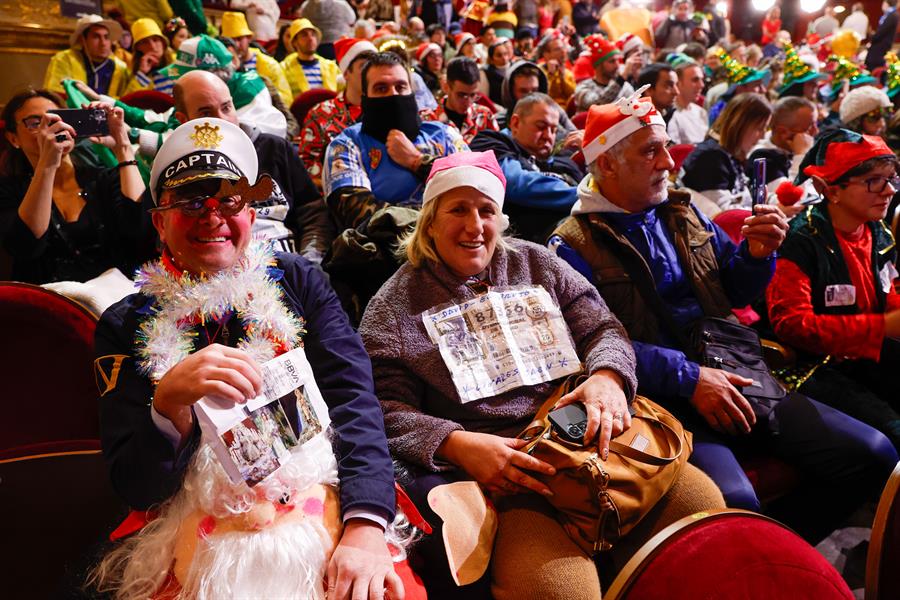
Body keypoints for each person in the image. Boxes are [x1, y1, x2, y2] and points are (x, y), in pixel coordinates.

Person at [359, 149, 727, 598]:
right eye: (458, 209)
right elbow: (380, 407)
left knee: (705, 523)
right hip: (515, 476)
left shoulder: (538, 263)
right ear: (429, 221)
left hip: (595, 438)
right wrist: (455, 443)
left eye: (486, 211)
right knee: (560, 593)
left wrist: (608, 377)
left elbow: (603, 328)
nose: (475, 226)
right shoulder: (392, 307)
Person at [549, 91, 898, 538]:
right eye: (650, 151)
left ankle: (783, 552)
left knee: (874, 455)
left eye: (666, 148)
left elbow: (734, 291)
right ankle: (750, 556)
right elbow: (589, 344)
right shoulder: (570, 245)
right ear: (608, 165)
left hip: (735, 369)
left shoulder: (682, 210)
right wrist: (688, 378)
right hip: (658, 401)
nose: (668, 164)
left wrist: (757, 255)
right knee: (734, 505)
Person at [90, 117, 407, 599]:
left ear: (253, 215)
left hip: (320, 501)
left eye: (230, 200)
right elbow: (136, 488)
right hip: (193, 531)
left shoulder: (299, 282)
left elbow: (355, 403)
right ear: (159, 221)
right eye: (191, 201)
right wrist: (168, 407)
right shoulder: (123, 324)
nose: (212, 215)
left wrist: (366, 525)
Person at [767, 128, 900, 450]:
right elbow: (792, 325)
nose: (889, 191)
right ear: (829, 189)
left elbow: (888, 289)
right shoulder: (801, 241)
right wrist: (880, 326)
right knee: (893, 430)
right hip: (811, 366)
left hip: (866, 351)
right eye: (874, 181)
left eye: (892, 178)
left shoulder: (877, 231)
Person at [322, 52, 466, 311]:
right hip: (390, 259)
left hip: (461, 245)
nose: (393, 95)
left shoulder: (444, 135)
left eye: (401, 87)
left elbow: (476, 187)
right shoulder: (346, 145)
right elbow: (362, 216)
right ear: (366, 98)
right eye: (381, 88)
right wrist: (442, 221)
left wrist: (417, 162)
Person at [172, 69, 330, 262]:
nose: (222, 120)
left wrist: (310, 265)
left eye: (226, 107)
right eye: (206, 113)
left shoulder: (274, 148)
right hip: (220, 275)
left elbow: (312, 213)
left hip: (291, 267)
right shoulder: (177, 167)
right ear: (183, 120)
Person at [0, 90, 143, 284]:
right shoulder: (9, 190)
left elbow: (140, 230)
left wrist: (123, 147)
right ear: (13, 138)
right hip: (49, 304)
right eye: (35, 123)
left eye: (57, 120)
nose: (51, 129)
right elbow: (26, 246)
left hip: (117, 301)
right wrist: (47, 164)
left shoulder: (102, 178)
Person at [470, 93, 581, 242]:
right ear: (515, 123)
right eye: (541, 127)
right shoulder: (492, 142)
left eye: (554, 130)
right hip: (528, 245)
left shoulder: (564, 162)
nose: (548, 136)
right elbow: (515, 184)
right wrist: (585, 197)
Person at [300, 38, 377, 190]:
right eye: (364, 67)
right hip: (338, 195)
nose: (371, 73)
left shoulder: (390, 108)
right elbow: (307, 167)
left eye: (374, 67)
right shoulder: (321, 114)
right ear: (346, 73)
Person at [680, 93, 772, 216]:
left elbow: (744, 199)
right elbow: (722, 217)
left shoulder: (729, 153)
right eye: (759, 128)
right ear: (740, 125)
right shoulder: (710, 157)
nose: (762, 136)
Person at [747, 96, 818, 212]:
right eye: (810, 127)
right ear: (783, 132)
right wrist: (801, 156)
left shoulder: (792, 150)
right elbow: (790, 200)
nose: (816, 131)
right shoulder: (762, 156)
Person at [43, 14, 130, 98]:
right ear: (82, 39)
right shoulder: (64, 59)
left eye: (106, 37)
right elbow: (56, 95)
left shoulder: (120, 67)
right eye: (96, 37)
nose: (103, 43)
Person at [421, 57, 500, 144]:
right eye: (461, 95)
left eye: (473, 95)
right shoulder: (428, 120)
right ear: (446, 87)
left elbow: (499, 150)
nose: (468, 102)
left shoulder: (485, 115)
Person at [221, 11, 293, 106]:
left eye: (239, 39)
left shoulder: (270, 65)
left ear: (249, 38)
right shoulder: (221, 67)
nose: (236, 45)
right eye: (231, 41)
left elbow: (286, 100)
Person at [573, 34, 640, 112]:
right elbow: (597, 104)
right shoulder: (583, 87)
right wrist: (621, 78)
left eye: (618, 61)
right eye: (612, 61)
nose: (617, 66)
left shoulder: (625, 87)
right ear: (598, 65)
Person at [280, 18, 342, 100]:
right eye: (304, 35)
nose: (310, 39)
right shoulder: (284, 68)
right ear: (295, 42)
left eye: (313, 34)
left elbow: (342, 92)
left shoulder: (331, 67)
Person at [667, 56, 708, 145]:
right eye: (695, 80)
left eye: (702, 79)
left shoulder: (701, 112)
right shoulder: (671, 115)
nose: (701, 85)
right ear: (678, 83)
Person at [126, 18, 173, 94]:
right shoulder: (132, 72)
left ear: (163, 42)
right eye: (145, 42)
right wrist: (142, 73)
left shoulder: (177, 62)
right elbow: (130, 101)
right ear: (138, 48)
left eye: (155, 40)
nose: (152, 46)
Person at [535, 31, 576, 109]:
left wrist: (562, 78)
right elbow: (541, 96)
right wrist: (551, 75)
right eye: (557, 49)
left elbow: (573, 95)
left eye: (563, 48)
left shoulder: (567, 72)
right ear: (546, 54)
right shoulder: (538, 71)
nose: (563, 52)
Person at [480, 38, 514, 106]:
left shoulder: (515, 68)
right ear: (491, 59)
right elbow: (485, 98)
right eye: (499, 55)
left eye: (505, 54)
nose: (504, 58)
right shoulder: (485, 72)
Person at [867, 0, 899, 71]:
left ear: (886, 3)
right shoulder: (891, 15)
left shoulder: (892, 15)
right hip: (880, 50)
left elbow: (880, 33)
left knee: (875, 72)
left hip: (879, 51)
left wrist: (873, 36)